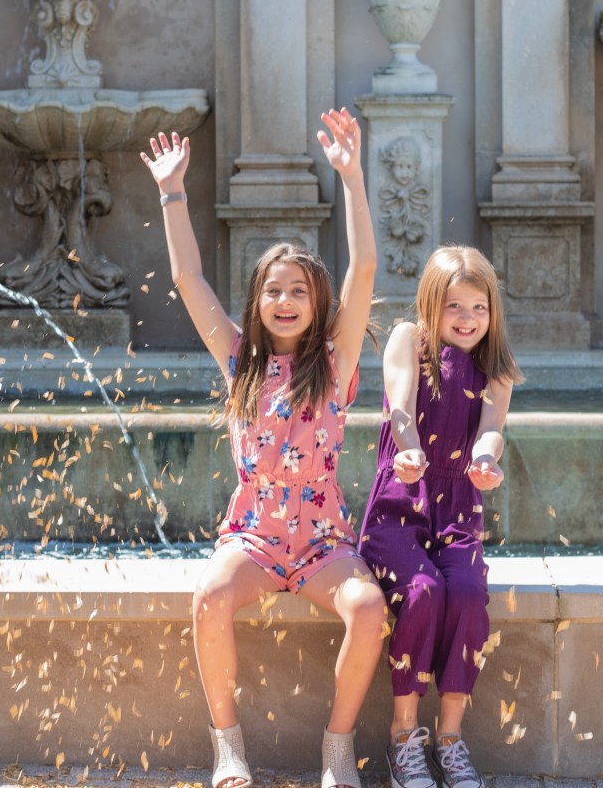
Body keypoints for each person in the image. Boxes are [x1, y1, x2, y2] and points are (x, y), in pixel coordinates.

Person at [140, 109, 387, 788]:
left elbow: (365, 266)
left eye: (298, 291)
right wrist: (172, 192)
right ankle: (229, 748)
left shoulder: (334, 363)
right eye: (272, 290)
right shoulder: (239, 361)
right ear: (256, 303)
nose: (284, 299)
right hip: (252, 539)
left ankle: (338, 749)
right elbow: (189, 280)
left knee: (369, 608)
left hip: (322, 543)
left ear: (317, 302)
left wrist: (352, 178)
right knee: (208, 597)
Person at [358, 246, 524, 788]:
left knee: (469, 593)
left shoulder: (496, 366)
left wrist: (486, 460)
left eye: (479, 307)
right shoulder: (409, 339)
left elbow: (492, 429)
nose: (468, 318)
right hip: (400, 506)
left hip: (458, 511)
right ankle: (404, 735)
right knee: (424, 591)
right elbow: (400, 405)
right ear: (431, 303)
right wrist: (408, 448)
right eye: (455, 305)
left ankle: (450, 738)